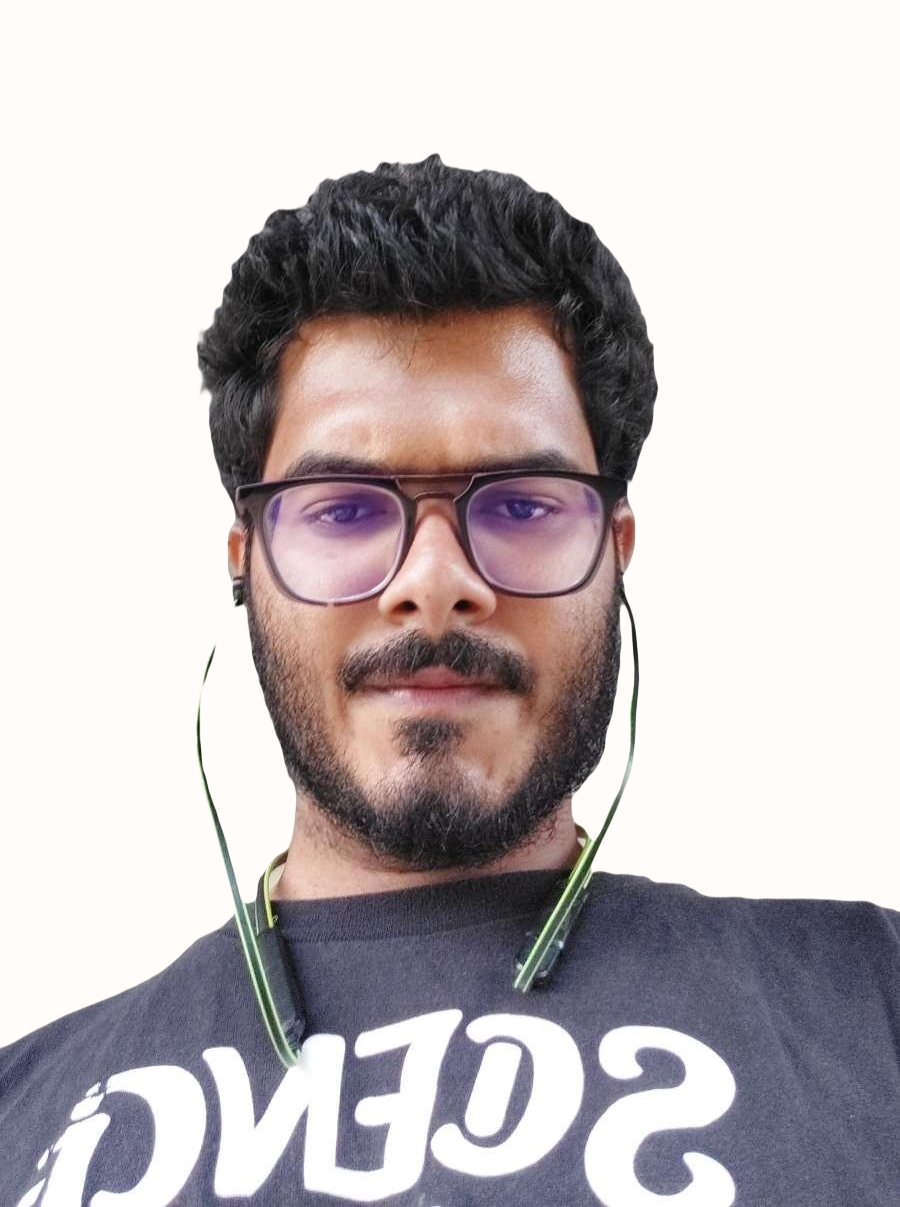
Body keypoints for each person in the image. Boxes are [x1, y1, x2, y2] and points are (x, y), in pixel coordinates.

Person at [1, 155, 897, 1206]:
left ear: (615, 551)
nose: (434, 583)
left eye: (520, 504)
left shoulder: (872, 1005)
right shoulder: (22, 1114)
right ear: (246, 560)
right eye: (344, 507)